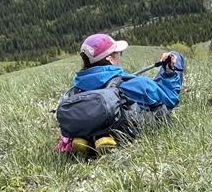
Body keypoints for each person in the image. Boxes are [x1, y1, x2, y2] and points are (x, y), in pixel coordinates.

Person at [56, 33, 184, 155]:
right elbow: (171, 98)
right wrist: (168, 72)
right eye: (118, 53)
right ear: (110, 59)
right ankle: (107, 137)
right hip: (127, 132)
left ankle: (86, 138)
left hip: (87, 126)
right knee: (175, 54)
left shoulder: (73, 91)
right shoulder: (137, 84)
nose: (119, 56)